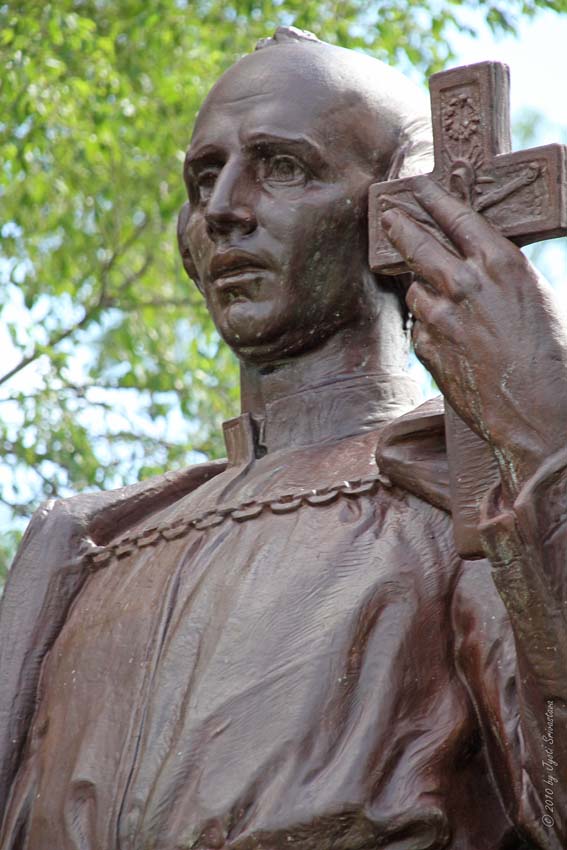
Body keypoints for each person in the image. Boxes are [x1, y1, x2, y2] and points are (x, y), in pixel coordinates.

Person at [0, 26, 566, 850]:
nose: (223, 208)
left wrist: (543, 434)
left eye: (283, 167)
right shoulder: (84, 547)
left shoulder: (473, 497)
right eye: (205, 176)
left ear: (398, 215)